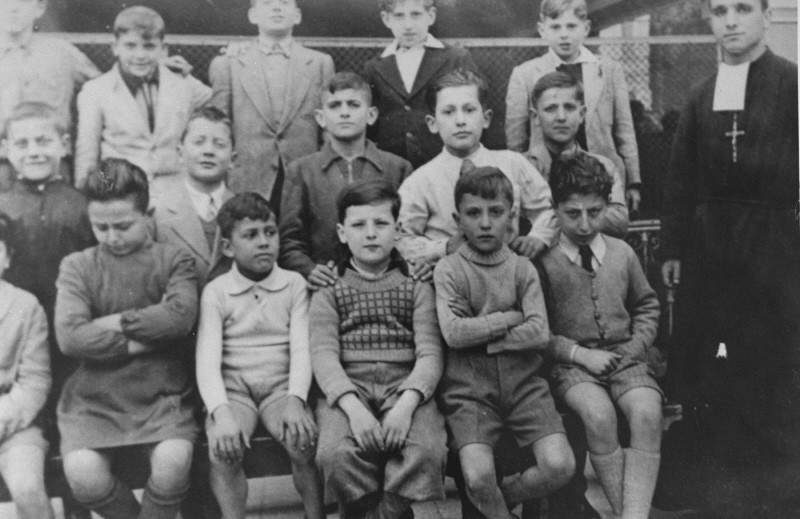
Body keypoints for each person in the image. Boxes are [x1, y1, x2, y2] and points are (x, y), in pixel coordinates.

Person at [660, 0, 800, 516]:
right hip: (711, 249)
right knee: (715, 361)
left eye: (744, 8)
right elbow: (680, 174)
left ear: (766, 15)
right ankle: (719, 486)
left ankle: (778, 490)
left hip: (774, 245)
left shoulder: (793, 84)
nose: (732, 21)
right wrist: (674, 246)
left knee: (769, 361)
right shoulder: (702, 93)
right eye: (720, 11)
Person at [55, 159, 199, 519]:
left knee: (172, 461)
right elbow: (70, 338)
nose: (112, 237)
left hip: (162, 392)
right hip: (93, 398)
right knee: (83, 475)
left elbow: (180, 319)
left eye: (123, 225)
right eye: (100, 227)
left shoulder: (173, 260)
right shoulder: (78, 266)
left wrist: (110, 323)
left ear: (148, 214)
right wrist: (146, 336)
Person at [434, 167, 574, 519]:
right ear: (458, 218)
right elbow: (453, 333)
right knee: (478, 477)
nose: (484, 223)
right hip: (469, 392)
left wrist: (486, 338)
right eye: (473, 213)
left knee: (560, 465)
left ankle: (507, 495)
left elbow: (539, 333)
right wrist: (510, 319)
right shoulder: (448, 270)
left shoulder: (523, 268)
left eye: (495, 212)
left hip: (526, 388)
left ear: (511, 216)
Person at [310, 180, 446, 519]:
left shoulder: (417, 284)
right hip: (348, 387)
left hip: (405, 384)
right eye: (359, 225)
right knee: (334, 454)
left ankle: (386, 512)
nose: (370, 233)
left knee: (427, 450)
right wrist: (353, 409)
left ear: (397, 230)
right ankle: (369, 510)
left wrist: (406, 405)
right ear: (342, 232)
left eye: (381, 224)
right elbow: (324, 355)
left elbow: (430, 353)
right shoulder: (330, 288)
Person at [540, 153, 661, 519]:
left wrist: (634, 347)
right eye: (572, 213)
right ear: (554, 208)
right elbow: (537, 330)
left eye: (594, 211)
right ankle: (629, 512)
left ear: (607, 206)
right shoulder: (543, 262)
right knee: (598, 414)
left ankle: (632, 516)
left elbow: (647, 306)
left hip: (626, 359)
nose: (584, 223)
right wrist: (578, 353)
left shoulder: (622, 253)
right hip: (572, 366)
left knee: (647, 413)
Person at [196, 192, 324, 519]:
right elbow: (207, 361)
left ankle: (316, 514)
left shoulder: (294, 284)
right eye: (250, 235)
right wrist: (220, 412)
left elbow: (300, 348)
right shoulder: (217, 291)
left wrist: (296, 399)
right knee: (223, 448)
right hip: (235, 390)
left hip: (280, 387)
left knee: (302, 440)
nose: (264, 242)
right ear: (227, 247)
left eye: (270, 232)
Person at [398, 68, 557, 266]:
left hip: (507, 273)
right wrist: (442, 248)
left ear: (486, 118)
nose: (460, 120)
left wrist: (539, 237)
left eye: (469, 109)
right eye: (448, 112)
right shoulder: (420, 181)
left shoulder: (513, 163)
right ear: (432, 123)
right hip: (451, 278)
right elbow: (401, 239)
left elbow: (550, 209)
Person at [279, 71, 413, 289]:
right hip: (326, 285)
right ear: (320, 117)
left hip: (386, 284)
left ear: (371, 115)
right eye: (334, 106)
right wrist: (309, 269)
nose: (344, 113)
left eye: (353, 104)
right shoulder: (302, 171)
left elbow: (406, 234)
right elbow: (289, 241)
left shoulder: (397, 168)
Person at [505, 0, 641, 211]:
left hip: (601, 176)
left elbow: (625, 129)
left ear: (586, 28)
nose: (564, 35)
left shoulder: (609, 70)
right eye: (556, 27)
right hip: (546, 178)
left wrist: (633, 182)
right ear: (542, 30)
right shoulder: (525, 74)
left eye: (571, 26)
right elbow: (516, 139)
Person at [0, 102, 95, 399]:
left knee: (67, 381)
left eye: (43, 141)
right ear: (5, 149)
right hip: (18, 320)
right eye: (22, 143)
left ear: (64, 145)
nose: (34, 152)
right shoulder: (3, 204)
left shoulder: (81, 204)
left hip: (66, 313)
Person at [209, 0, 335, 216]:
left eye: (284, 2)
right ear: (252, 15)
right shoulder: (228, 63)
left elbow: (329, 130)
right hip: (247, 180)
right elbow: (219, 129)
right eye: (267, 2)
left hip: (304, 179)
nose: (276, 7)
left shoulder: (320, 63)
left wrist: (324, 177)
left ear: (297, 16)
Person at [74, 6, 212, 195]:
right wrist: (108, 191)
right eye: (130, 46)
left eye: (149, 46)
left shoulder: (183, 83)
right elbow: (87, 160)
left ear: (163, 49)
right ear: (115, 47)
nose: (140, 55)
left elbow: (219, 106)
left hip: (176, 193)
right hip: (121, 193)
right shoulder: (95, 91)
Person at [363, 0, 478, 169]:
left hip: (446, 162)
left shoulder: (456, 58)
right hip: (395, 167)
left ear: (431, 16)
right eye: (399, 16)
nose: (408, 25)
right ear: (386, 19)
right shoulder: (374, 67)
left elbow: (475, 111)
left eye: (416, 15)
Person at [0, 0, 100, 189]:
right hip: (2, 165)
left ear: (39, 8)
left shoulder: (62, 52)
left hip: (53, 163)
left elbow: (105, 86)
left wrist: (157, 67)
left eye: (22, 1)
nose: (13, 7)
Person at [527, 71, 629, 237]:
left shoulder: (603, 165)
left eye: (569, 107)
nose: (561, 117)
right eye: (551, 109)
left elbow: (619, 222)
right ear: (535, 116)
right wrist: (591, 210)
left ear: (582, 114)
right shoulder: (522, 166)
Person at [0, 212, 54, 519]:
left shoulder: (25, 306)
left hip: (17, 425)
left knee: (28, 490)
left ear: (8, 258)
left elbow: (35, 381)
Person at [151, 106, 235, 287]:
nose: (209, 151)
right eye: (199, 142)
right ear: (180, 153)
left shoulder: (243, 209)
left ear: (233, 159)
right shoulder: (158, 212)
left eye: (219, 144)